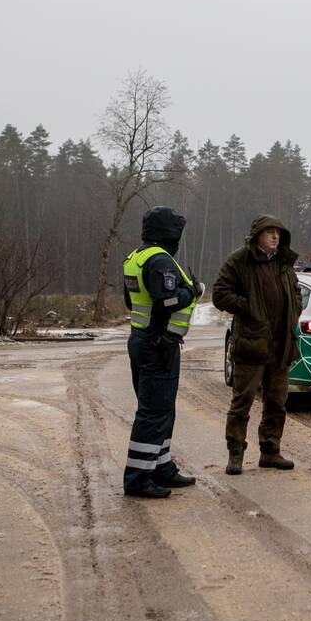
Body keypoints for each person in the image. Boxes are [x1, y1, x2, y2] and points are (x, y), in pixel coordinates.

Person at [122, 206, 203, 498]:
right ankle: (138, 478)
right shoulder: (160, 260)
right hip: (159, 344)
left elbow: (132, 303)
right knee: (153, 412)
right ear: (170, 233)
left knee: (161, 410)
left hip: (142, 339)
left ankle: (161, 466)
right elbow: (167, 302)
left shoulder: (135, 257)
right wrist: (193, 291)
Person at [213, 215, 302, 475]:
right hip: (251, 345)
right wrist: (248, 306)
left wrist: (295, 309)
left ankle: (270, 451)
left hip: (281, 346)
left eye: (278, 232)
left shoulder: (284, 262)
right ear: (256, 235)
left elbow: (295, 292)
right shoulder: (239, 260)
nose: (275, 236)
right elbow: (220, 293)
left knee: (277, 403)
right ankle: (236, 454)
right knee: (242, 403)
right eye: (269, 232)